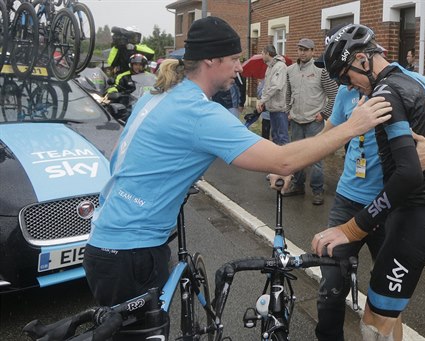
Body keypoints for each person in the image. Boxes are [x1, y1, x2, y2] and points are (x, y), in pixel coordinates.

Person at [82, 16, 392, 310]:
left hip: (107, 238)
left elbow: (120, 159)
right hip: (131, 251)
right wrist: (353, 126)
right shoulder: (198, 112)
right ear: (211, 61)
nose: (240, 68)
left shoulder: (157, 95)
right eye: (234, 60)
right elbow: (283, 161)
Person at [310, 23, 425, 341]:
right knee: (339, 291)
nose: (346, 85)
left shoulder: (397, 86)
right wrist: (288, 164)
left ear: (363, 61)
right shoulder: (372, 88)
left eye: (345, 77)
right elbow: (329, 136)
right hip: (358, 197)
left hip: (394, 204)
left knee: (382, 312)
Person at [282, 38, 339, 205]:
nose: (302, 52)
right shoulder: (290, 70)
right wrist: (288, 111)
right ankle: (298, 186)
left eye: (306, 50)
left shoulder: (321, 71)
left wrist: (324, 113)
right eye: (300, 49)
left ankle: (317, 190)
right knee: (297, 156)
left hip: (314, 121)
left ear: (313, 51)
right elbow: (287, 93)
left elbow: (334, 95)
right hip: (296, 120)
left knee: (315, 158)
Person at [257, 45, 289, 145]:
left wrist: (262, 100)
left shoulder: (280, 66)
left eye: (262, 53)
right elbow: (266, 87)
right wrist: (263, 100)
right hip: (272, 108)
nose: (261, 56)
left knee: (282, 136)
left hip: (280, 108)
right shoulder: (270, 67)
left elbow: (276, 86)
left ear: (267, 53)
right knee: (275, 136)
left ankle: (285, 159)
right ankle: (277, 159)